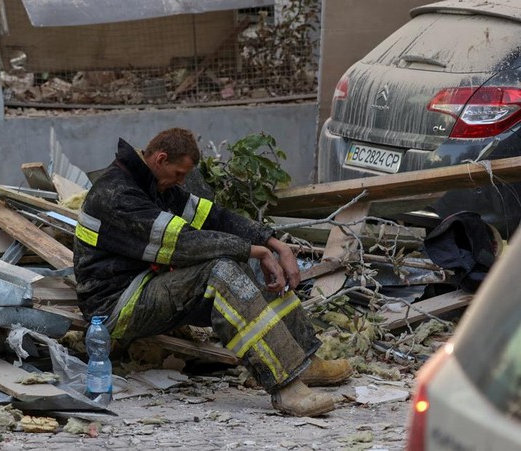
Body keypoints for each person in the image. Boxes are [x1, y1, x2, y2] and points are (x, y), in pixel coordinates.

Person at [73, 128, 353, 417]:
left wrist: (274, 243)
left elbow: (215, 218)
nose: (182, 182)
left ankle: (303, 359)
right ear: (161, 158)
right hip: (116, 308)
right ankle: (286, 388)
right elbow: (183, 244)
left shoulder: (155, 185)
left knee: (243, 264)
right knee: (221, 270)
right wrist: (251, 250)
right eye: (180, 173)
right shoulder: (116, 194)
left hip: (147, 286)